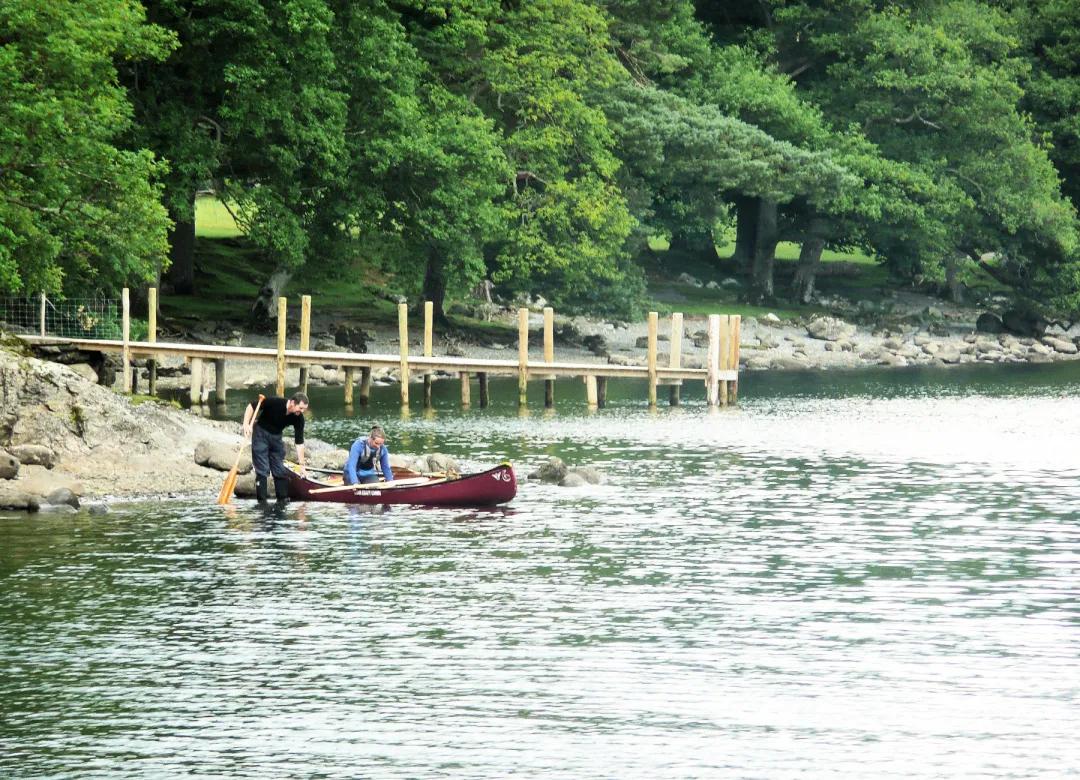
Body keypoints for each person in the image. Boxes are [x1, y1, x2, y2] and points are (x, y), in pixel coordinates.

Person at [243, 392, 309, 502]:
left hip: (276, 437)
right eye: (300, 408)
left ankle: (282, 499)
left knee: (279, 468)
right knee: (262, 468)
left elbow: (299, 442)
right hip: (261, 433)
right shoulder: (275, 402)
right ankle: (262, 502)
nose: (301, 412)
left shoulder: (299, 418)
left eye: (304, 409)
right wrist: (246, 424)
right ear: (293, 403)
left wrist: (302, 465)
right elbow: (251, 406)